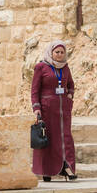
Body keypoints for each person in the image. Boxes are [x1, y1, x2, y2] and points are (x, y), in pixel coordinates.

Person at [31, 41, 78, 182]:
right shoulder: (41, 67)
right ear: (51, 53)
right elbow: (35, 90)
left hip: (63, 110)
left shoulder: (65, 68)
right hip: (47, 109)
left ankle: (67, 167)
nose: (59, 55)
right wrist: (36, 108)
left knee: (65, 138)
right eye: (57, 52)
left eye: (62, 52)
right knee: (49, 139)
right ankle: (47, 171)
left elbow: (70, 84)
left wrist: (69, 95)